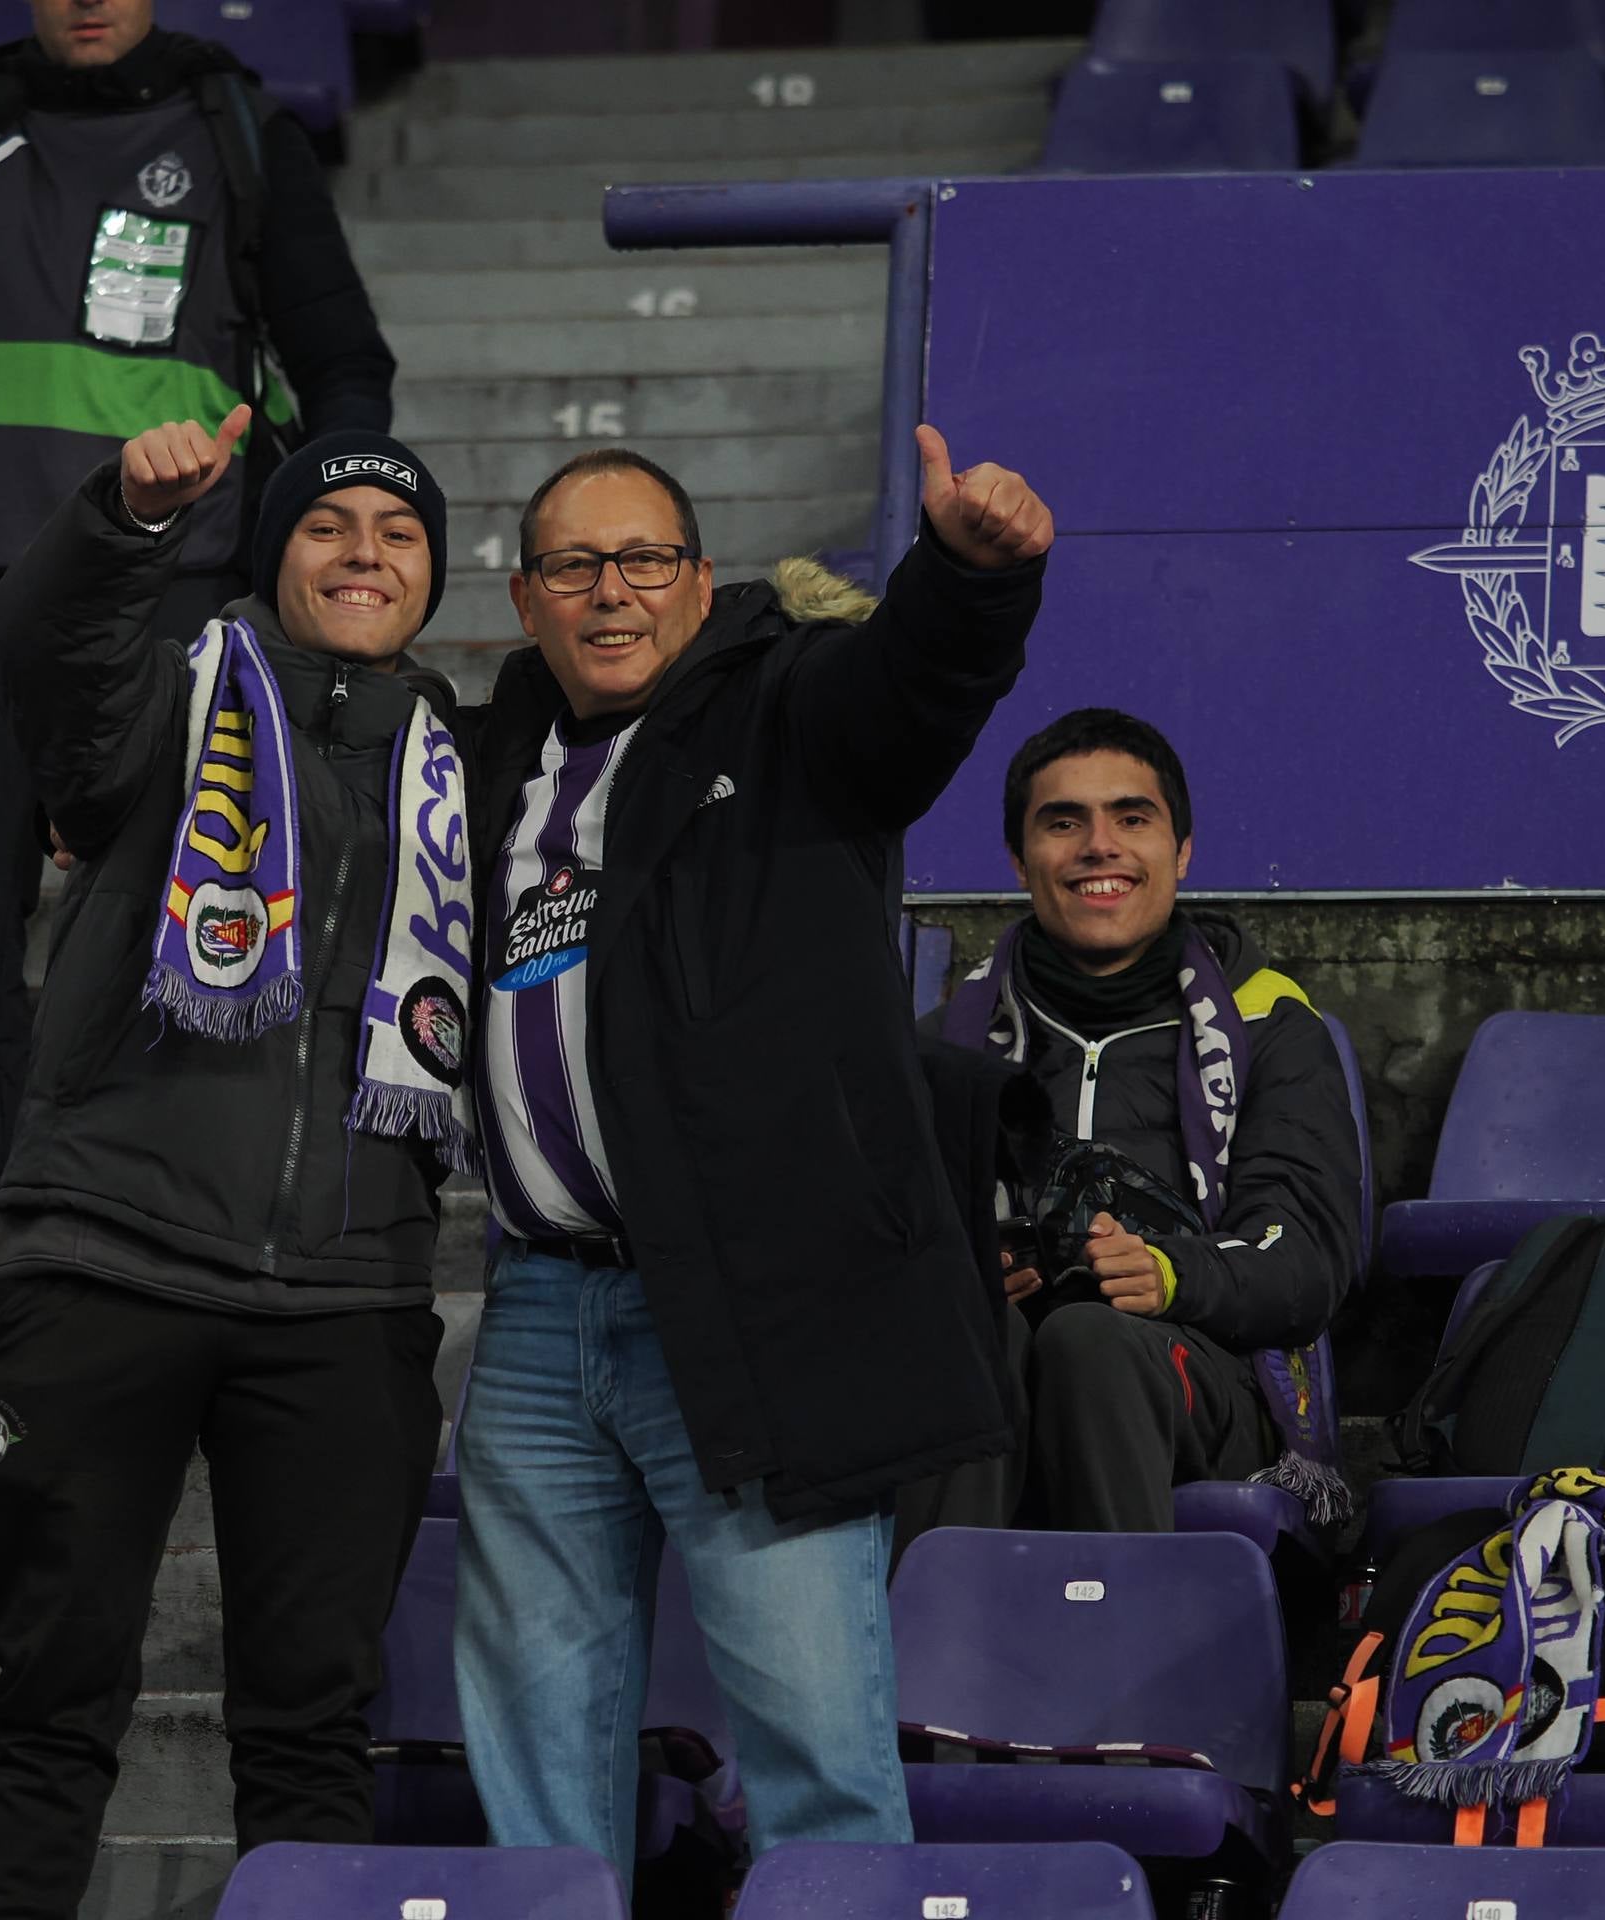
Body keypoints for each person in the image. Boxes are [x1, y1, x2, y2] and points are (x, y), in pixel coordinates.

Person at [449, 432, 1051, 1881]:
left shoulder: (786, 713)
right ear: (525, 600)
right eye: (574, 566)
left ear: (700, 582)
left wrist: (966, 583)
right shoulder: (474, 771)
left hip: (751, 1308)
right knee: (536, 1772)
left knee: (815, 1760)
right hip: (536, 1318)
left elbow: (908, 693)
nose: (611, 592)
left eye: (644, 558)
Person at [0, 0, 397, 1296]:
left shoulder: (241, 128)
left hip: (176, 585)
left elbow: (345, 360)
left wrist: (336, 532)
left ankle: (147, 1207)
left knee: (155, 903)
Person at [0, 409, 466, 1918]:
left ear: (434, 578)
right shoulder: (167, 709)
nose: (363, 552)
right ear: (271, 553)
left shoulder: (470, 769)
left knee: (314, 1732)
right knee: (55, 1701)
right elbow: (45, 646)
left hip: (348, 1301)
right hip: (106, 1262)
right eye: (326, 526)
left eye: (397, 533)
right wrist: (122, 515)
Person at [940, 708, 1361, 1533]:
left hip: (1205, 1374)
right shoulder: (948, 1044)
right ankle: (924, 1647)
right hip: (1004, 1371)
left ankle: (1118, 1647)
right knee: (964, 1340)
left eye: (1132, 818)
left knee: (1089, 1344)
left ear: (1183, 852)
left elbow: (1308, 1256)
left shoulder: (1270, 1024)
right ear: (1020, 861)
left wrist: (1172, 1274)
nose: (1100, 845)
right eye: (1064, 823)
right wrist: (958, 1273)